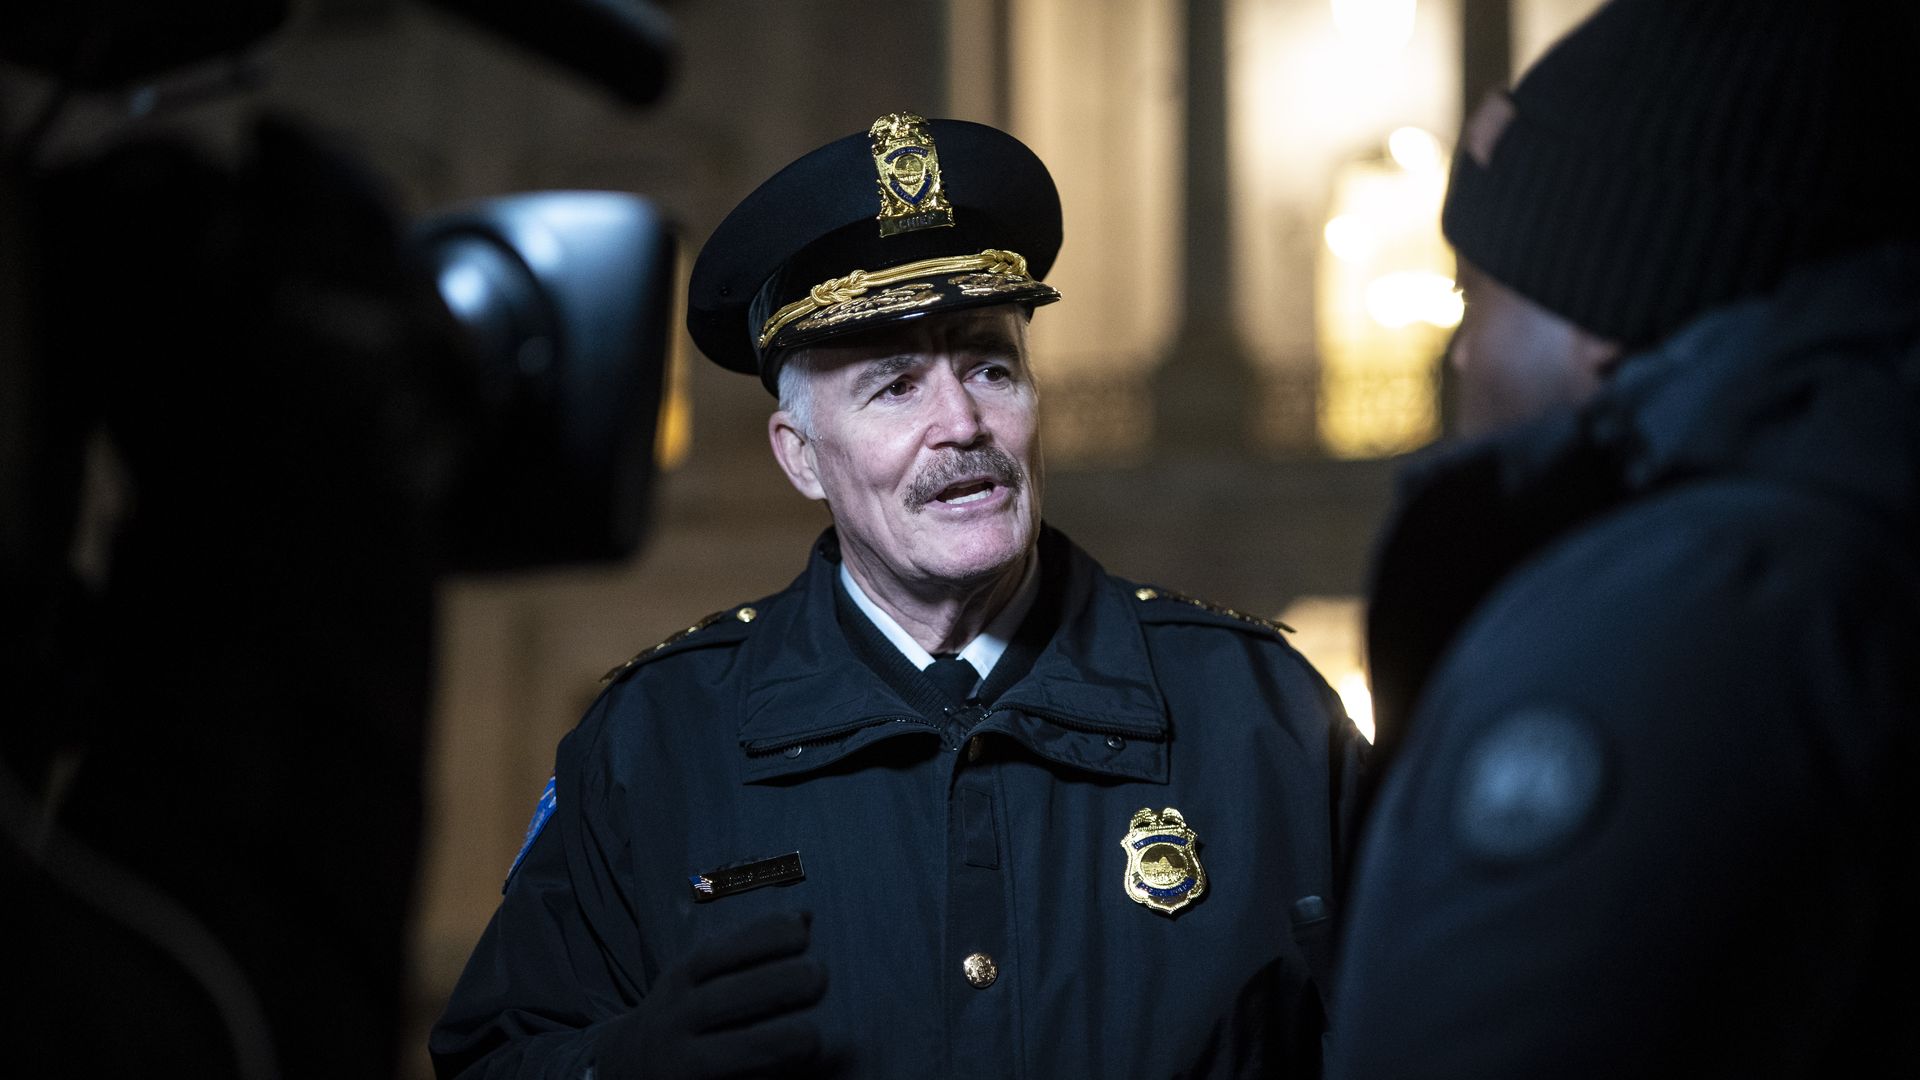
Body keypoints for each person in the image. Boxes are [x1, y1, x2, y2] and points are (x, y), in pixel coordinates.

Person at [430, 113, 1367, 1079]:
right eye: (894, 386)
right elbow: (492, 1059)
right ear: (800, 457)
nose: (961, 421)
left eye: (990, 366)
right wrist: (620, 1067)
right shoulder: (653, 743)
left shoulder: (1263, 717)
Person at [1327, 2, 1920, 1077]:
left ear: (1605, 309)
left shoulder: (1682, 617)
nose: (1459, 360)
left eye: (1478, 297)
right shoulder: (1844, 527)